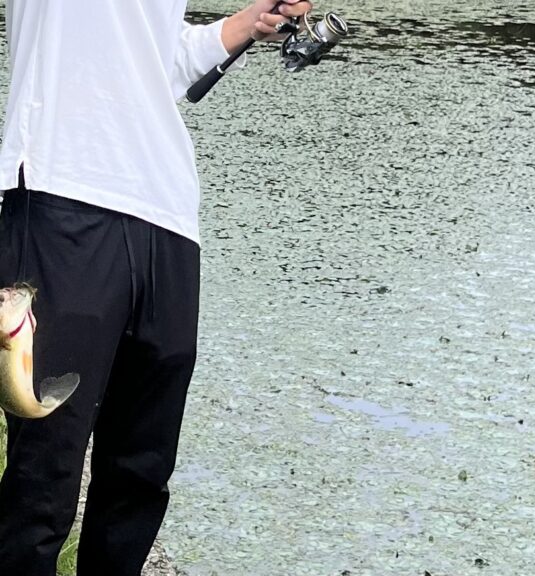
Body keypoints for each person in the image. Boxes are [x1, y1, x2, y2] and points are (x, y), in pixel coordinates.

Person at [0, 1, 312, 574]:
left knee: (140, 473)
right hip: (60, 190)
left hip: (167, 213)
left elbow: (156, 59)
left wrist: (244, 25)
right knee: (44, 473)